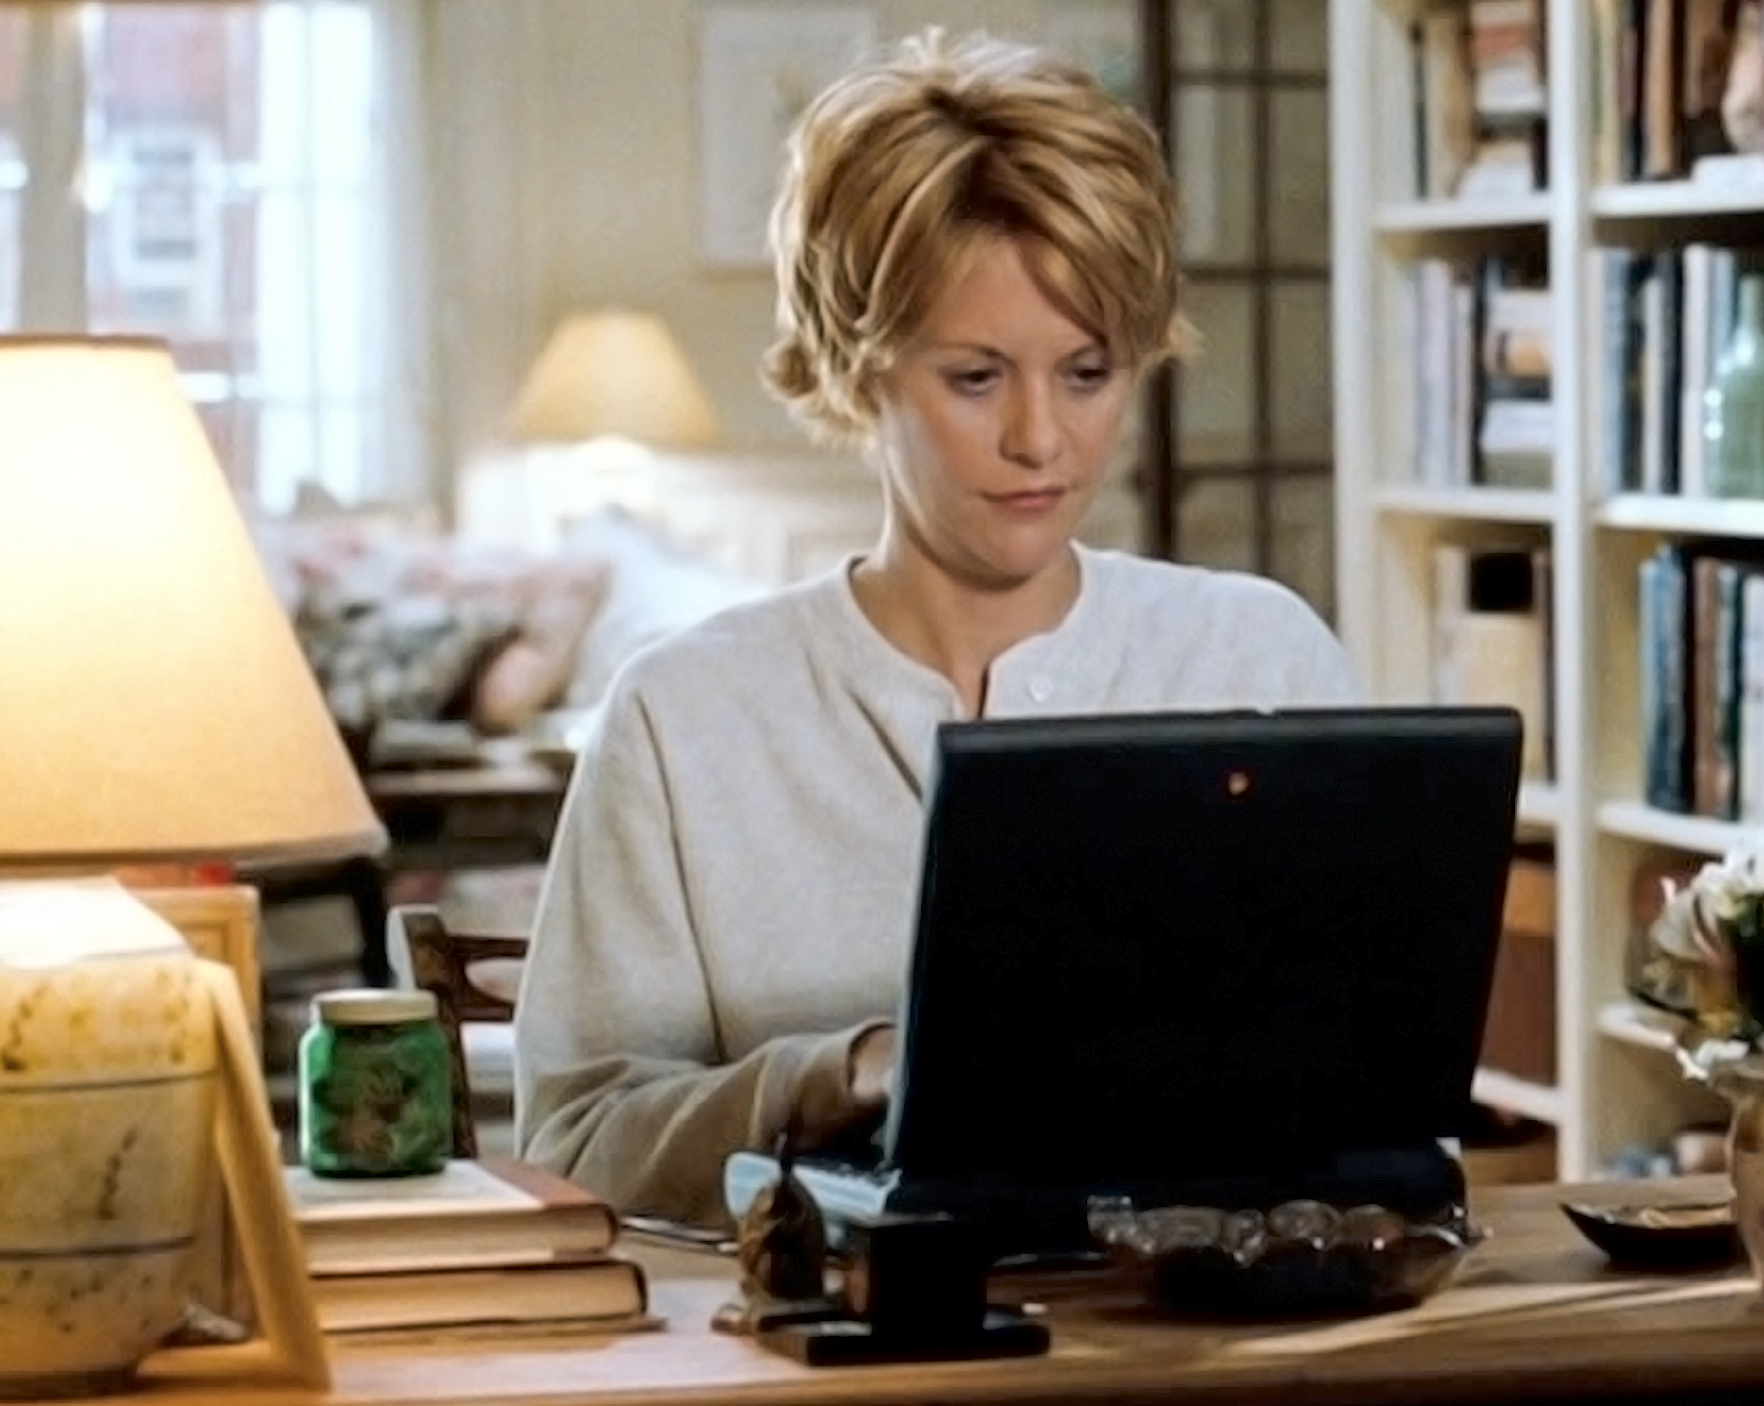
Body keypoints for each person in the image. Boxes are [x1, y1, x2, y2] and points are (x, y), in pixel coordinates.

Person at [511, 28, 1361, 1227]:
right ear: (859, 371)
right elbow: (577, 1147)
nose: (1040, 439)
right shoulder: (684, 716)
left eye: (1087, 372)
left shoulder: (1261, 657)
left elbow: (1373, 1083)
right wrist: (847, 1070)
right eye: (974, 378)